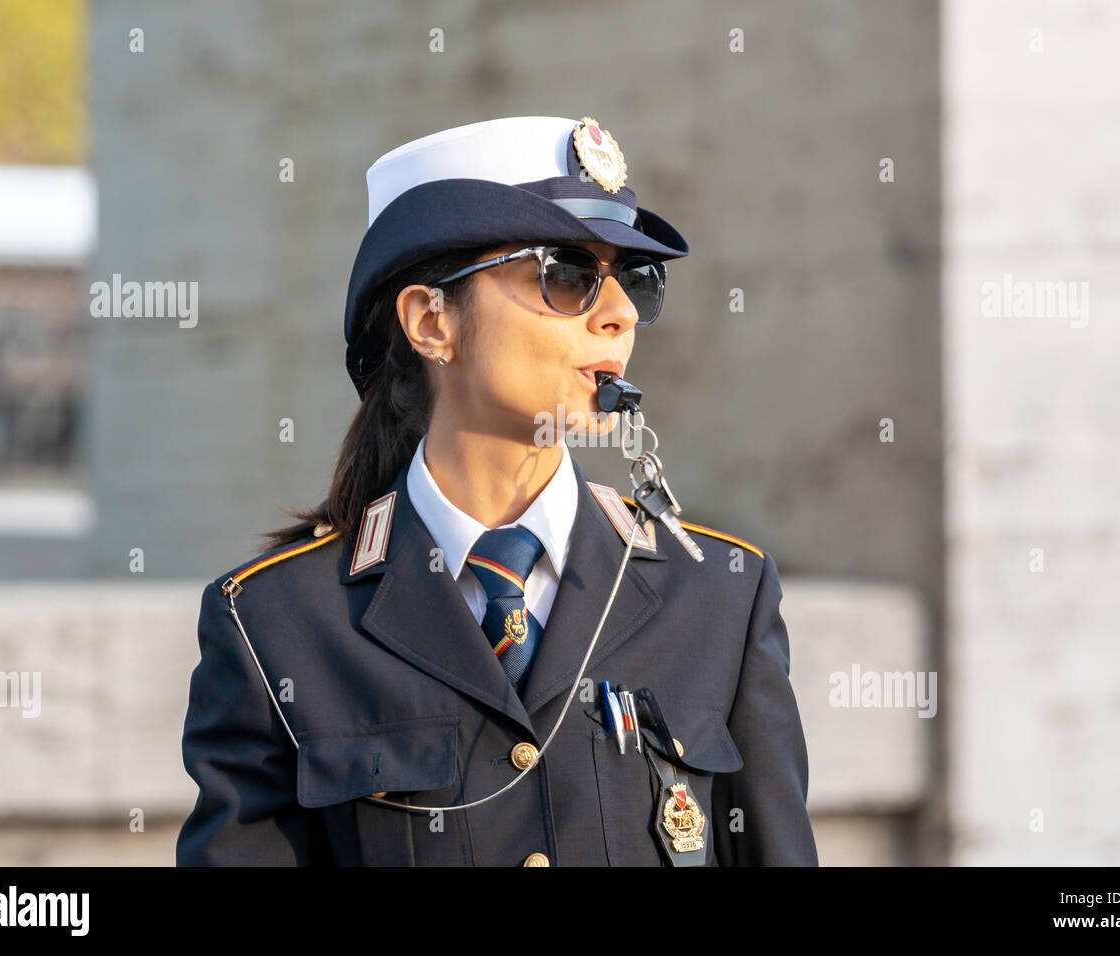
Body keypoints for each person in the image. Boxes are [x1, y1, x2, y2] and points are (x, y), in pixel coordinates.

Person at [176, 115, 819, 866]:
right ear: (430, 321)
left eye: (633, 281)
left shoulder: (720, 599)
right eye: (568, 274)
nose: (617, 316)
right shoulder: (275, 624)